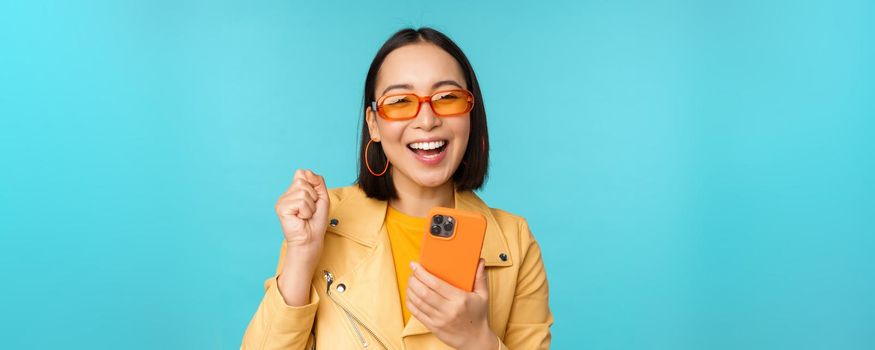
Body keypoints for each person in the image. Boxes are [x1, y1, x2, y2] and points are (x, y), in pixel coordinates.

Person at [241, 27, 553, 349]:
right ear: (374, 124)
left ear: (471, 115)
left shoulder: (514, 242)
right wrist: (302, 255)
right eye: (400, 101)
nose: (427, 119)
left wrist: (477, 340)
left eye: (447, 98)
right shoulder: (322, 223)